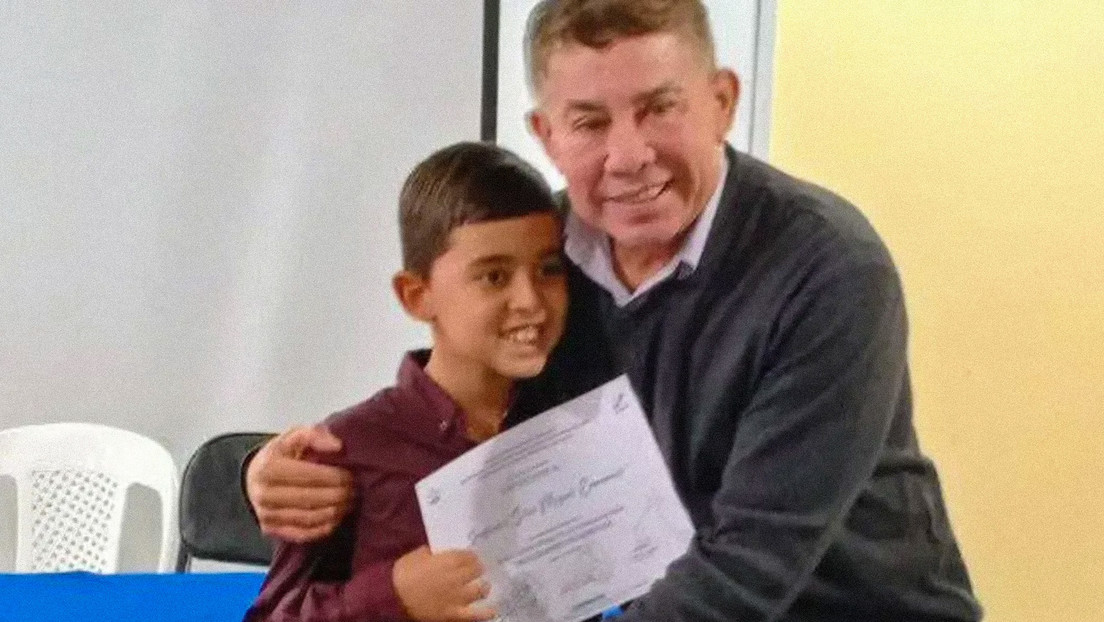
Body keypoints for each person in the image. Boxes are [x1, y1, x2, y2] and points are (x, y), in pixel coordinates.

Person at [245, 1, 984, 620]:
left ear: (722, 102)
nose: (628, 156)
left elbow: (749, 564)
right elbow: (459, 416)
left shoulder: (828, 270)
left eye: (659, 108)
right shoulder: (543, 257)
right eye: (590, 122)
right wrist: (275, 474)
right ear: (546, 135)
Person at [243, 141, 568, 622]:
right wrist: (394, 595)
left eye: (549, 270)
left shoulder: (570, 422)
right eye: (494, 277)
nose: (531, 301)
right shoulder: (348, 449)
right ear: (417, 296)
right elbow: (273, 614)